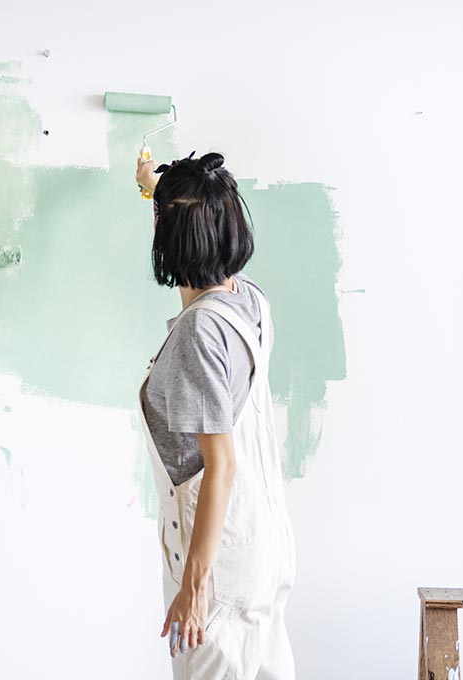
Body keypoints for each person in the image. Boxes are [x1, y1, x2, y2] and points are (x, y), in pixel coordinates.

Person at [135, 151, 296, 679]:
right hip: (261, 549)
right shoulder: (247, 301)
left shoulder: (199, 335)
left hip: (218, 579)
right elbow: (193, 229)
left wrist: (193, 589)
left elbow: (220, 466)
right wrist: (155, 193)